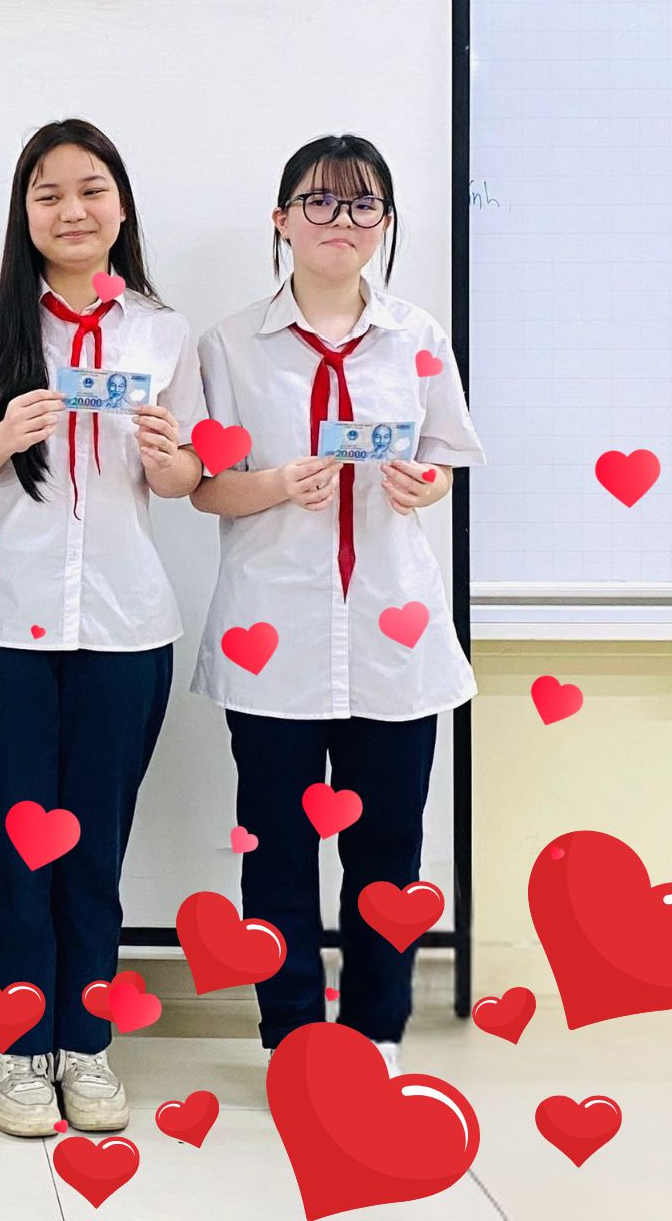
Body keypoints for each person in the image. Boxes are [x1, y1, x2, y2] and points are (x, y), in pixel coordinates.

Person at [0, 118, 205, 1137]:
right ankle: (14, 1046)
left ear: (120, 205)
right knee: (9, 854)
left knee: (93, 849)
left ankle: (83, 1042)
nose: (71, 210)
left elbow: (181, 483)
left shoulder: (160, 332)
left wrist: (170, 452)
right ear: (24, 213)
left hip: (125, 627)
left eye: (90, 190)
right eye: (47, 194)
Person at [191, 134, 484, 1076]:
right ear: (280, 220)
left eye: (362, 207)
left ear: (386, 226)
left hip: (392, 625)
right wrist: (275, 482)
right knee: (275, 846)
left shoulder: (420, 337)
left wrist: (422, 487)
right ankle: (289, 1037)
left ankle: (374, 1038)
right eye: (318, 203)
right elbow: (206, 488)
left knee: (388, 847)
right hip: (274, 629)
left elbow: (446, 457)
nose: (340, 223)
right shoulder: (230, 343)